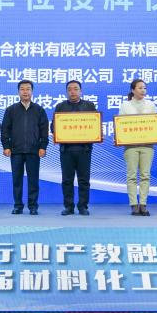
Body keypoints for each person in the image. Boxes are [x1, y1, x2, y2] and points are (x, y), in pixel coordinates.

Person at [1, 80, 49, 215]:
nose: (25, 92)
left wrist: (43, 146)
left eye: (28, 89)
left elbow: (44, 130)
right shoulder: (11, 110)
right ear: (18, 92)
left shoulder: (39, 110)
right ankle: (18, 205)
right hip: (16, 151)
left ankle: (33, 206)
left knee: (33, 180)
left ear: (32, 92)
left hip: (34, 151)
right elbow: (5, 129)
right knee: (17, 180)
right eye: (22, 89)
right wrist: (6, 146)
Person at [53, 80, 96, 216]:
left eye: (75, 89)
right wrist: (58, 133)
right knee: (67, 180)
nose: (72, 92)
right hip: (66, 150)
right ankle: (69, 206)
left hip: (84, 150)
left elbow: (95, 125)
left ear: (81, 91)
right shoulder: (60, 106)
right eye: (70, 89)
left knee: (84, 180)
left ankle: (83, 206)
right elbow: (53, 127)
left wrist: (96, 134)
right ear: (66, 92)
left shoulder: (89, 106)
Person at [119, 79, 157, 216]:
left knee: (145, 175)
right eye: (140, 88)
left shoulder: (151, 105)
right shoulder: (125, 105)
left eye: (144, 88)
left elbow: (155, 124)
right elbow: (121, 125)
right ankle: (133, 205)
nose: (143, 90)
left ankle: (143, 204)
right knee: (131, 176)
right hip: (131, 146)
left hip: (147, 145)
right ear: (133, 90)